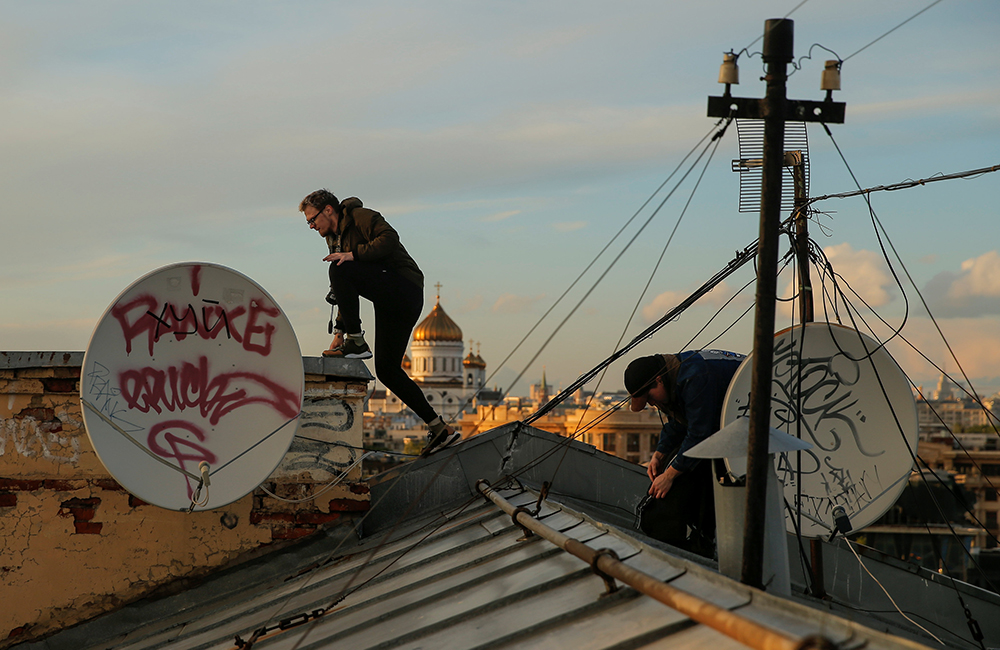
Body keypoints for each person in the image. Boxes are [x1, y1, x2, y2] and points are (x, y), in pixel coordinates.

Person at [299, 189, 460, 454]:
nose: (312, 226)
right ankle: (440, 427)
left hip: (403, 286)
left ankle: (356, 341)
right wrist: (339, 334)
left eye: (312, 219)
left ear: (329, 210)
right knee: (387, 370)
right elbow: (345, 289)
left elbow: (389, 239)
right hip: (391, 303)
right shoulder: (335, 240)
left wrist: (353, 255)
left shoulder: (359, 216)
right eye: (309, 223)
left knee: (340, 267)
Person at [625, 349, 745, 553]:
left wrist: (670, 475)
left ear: (659, 380)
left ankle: (706, 542)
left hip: (741, 427)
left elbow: (699, 434)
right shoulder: (674, 381)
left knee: (703, 475)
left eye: (650, 397)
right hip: (722, 427)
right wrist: (659, 454)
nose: (652, 403)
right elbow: (678, 423)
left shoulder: (695, 377)